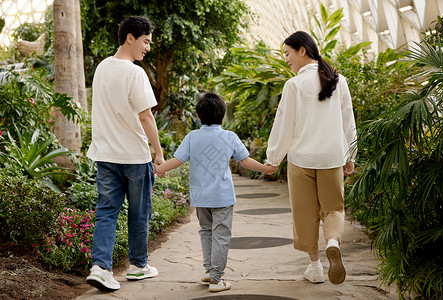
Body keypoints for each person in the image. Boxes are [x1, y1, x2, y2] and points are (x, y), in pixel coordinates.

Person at [155, 92, 277, 292]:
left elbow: (178, 160)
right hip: (222, 195)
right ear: (222, 114)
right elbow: (245, 161)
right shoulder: (230, 137)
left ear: (199, 116)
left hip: (200, 195)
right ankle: (217, 279)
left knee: (205, 231)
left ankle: (209, 270)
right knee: (221, 234)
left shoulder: (192, 136)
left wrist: (160, 169)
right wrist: (266, 168)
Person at [265, 31, 357, 285]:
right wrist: (350, 154)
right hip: (331, 158)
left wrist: (273, 158)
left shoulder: (294, 85)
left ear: (302, 50)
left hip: (301, 159)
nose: (286, 60)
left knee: (304, 214)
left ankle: (315, 267)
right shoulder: (340, 81)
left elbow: (284, 124)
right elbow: (348, 121)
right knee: (333, 209)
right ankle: (332, 242)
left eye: (287, 54)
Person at [85, 16, 165, 291]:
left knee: (106, 212)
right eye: (146, 41)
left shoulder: (102, 68)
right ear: (130, 37)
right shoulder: (134, 73)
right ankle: (138, 266)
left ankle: (100, 268)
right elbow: (146, 117)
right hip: (134, 156)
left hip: (106, 155)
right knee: (139, 213)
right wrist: (159, 152)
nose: (148, 48)